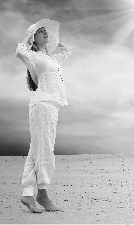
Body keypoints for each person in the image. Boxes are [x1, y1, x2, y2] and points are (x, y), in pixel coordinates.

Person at [15, 19, 72, 213]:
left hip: (51, 106)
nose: (45, 33)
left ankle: (28, 193)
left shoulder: (50, 59)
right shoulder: (33, 56)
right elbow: (19, 52)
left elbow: (68, 52)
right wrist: (27, 35)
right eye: (40, 32)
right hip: (43, 105)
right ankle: (43, 192)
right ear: (33, 37)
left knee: (36, 150)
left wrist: (60, 44)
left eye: (45, 31)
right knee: (45, 150)